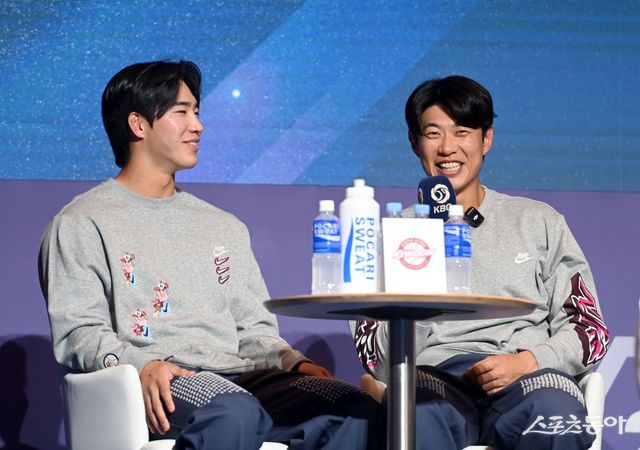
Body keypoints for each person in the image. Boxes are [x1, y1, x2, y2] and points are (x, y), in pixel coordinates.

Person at [39, 60, 381, 450]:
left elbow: (253, 331)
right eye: (182, 112)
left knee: (351, 406)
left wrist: (294, 363)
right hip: (165, 380)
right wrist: (140, 366)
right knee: (234, 411)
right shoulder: (82, 222)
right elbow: (79, 333)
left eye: (197, 112)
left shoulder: (223, 226)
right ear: (138, 124)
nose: (198, 125)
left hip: (243, 378)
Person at [353, 75, 610, 449]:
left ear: (486, 139)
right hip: (434, 375)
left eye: (462, 132)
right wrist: (427, 248)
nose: (447, 148)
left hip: (525, 374)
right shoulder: (389, 233)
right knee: (415, 411)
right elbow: (375, 356)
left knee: (556, 416)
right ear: (414, 142)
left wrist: (529, 361)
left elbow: (590, 331)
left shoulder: (538, 221)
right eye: (433, 133)